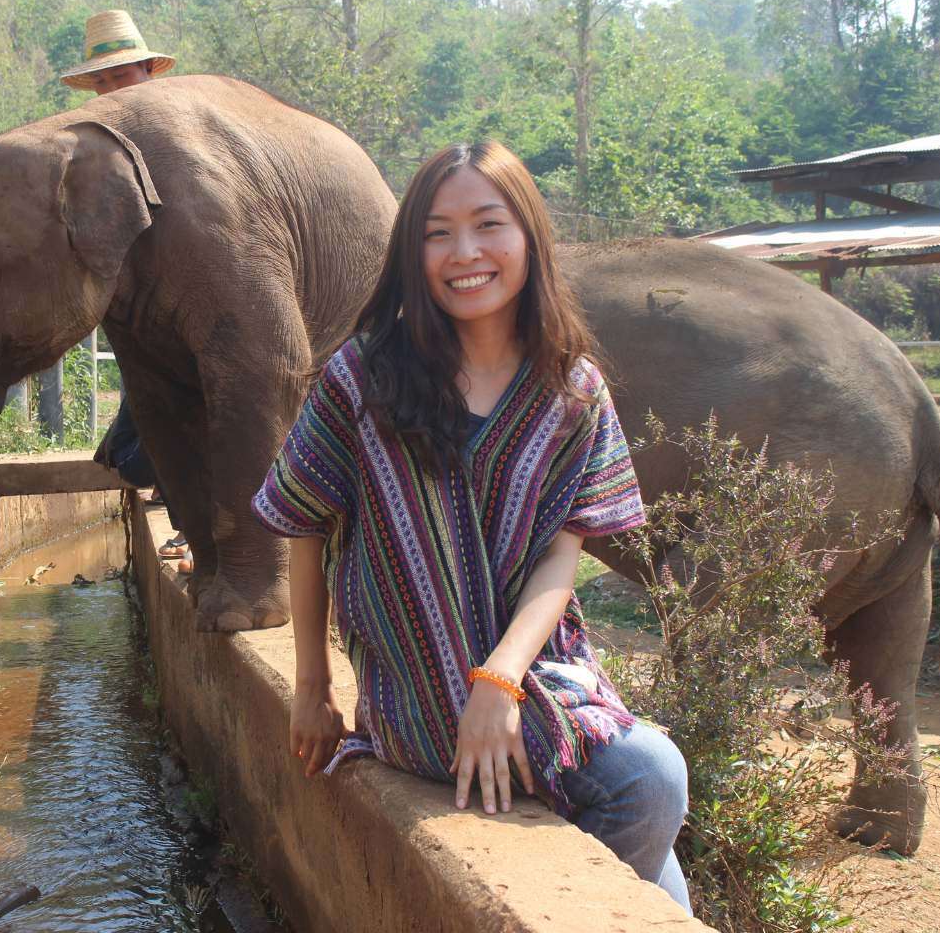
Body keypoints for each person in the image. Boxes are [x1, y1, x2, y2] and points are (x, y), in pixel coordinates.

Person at [252, 142, 692, 912]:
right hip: (415, 689)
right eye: (437, 233)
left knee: (650, 796)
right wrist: (312, 687)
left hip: (534, 672)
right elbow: (304, 523)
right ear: (411, 252)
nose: (465, 254)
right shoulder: (364, 378)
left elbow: (564, 558)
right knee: (650, 779)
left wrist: (500, 677)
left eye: (488, 225)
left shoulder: (572, 390)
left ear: (529, 236)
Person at [63, 10, 194, 571]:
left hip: (199, 296)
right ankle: (188, 517)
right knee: (150, 426)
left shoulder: (187, 132)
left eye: (125, 76)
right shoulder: (90, 148)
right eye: (106, 81)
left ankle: (202, 529)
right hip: (140, 308)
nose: (116, 89)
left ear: (148, 72)